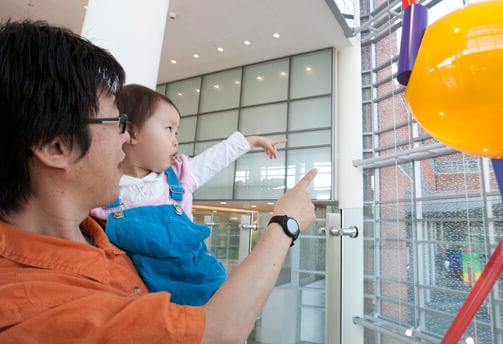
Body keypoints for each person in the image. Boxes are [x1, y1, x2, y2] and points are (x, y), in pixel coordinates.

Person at [0, 19, 317, 342]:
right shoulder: (38, 311)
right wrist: (285, 223)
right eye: (118, 122)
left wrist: (247, 142)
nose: (125, 137)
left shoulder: (97, 235)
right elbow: (218, 331)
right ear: (57, 146)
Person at [90, 83, 285, 306]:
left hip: (201, 283)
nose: (175, 140)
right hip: (142, 295)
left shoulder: (181, 175)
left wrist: (252, 141)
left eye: (177, 132)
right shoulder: (103, 189)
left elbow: (216, 157)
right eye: (169, 129)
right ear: (132, 132)